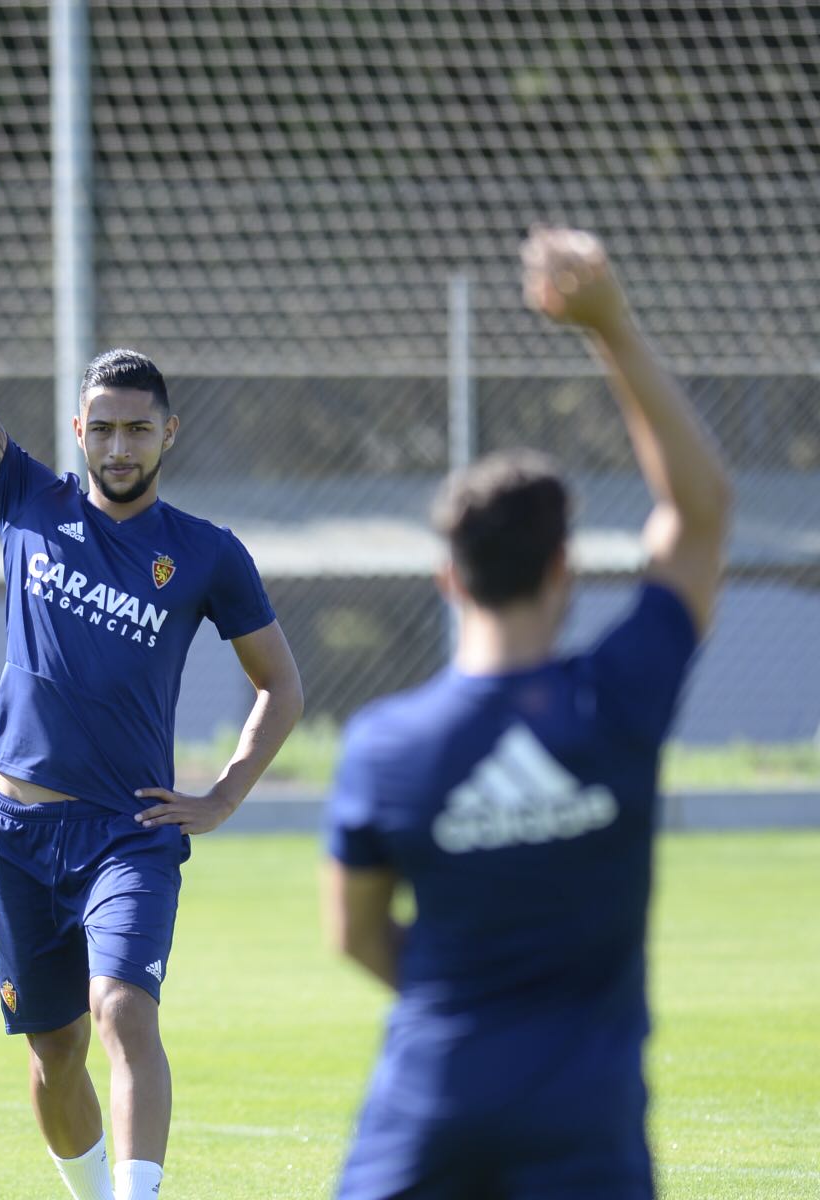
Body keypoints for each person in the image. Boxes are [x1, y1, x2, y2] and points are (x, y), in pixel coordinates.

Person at [0, 146, 305, 1200]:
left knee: (122, 1011)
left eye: (139, 428)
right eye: (103, 426)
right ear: (78, 430)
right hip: (14, 830)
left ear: (167, 433)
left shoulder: (210, 553)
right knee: (52, 1058)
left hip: (130, 831)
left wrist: (223, 795)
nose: (120, 443)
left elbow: (282, 684)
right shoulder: (27, 504)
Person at [322, 226, 732, 1199]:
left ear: (445, 579)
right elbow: (702, 510)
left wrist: (474, 995)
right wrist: (608, 326)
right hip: (582, 1123)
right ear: (562, 567)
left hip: (426, 1115)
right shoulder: (617, 697)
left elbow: (355, 936)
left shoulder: (384, 748)